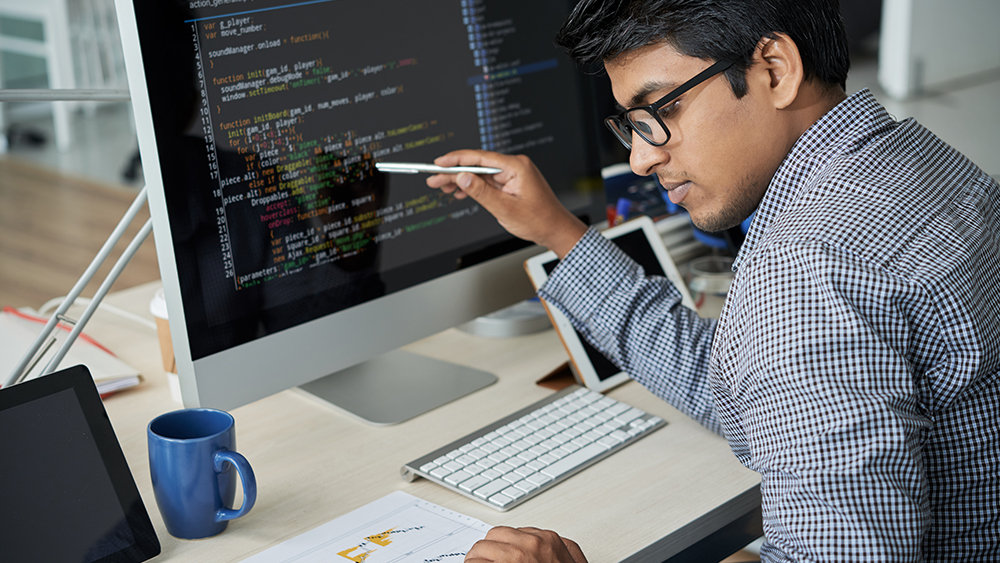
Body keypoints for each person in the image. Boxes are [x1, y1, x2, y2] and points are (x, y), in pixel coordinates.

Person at [426, 0, 1000, 561]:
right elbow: (755, 389)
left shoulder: (807, 268)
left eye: (661, 112)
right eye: (633, 126)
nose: (642, 161)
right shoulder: (919, 161)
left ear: (775, 70)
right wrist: (557, 231)